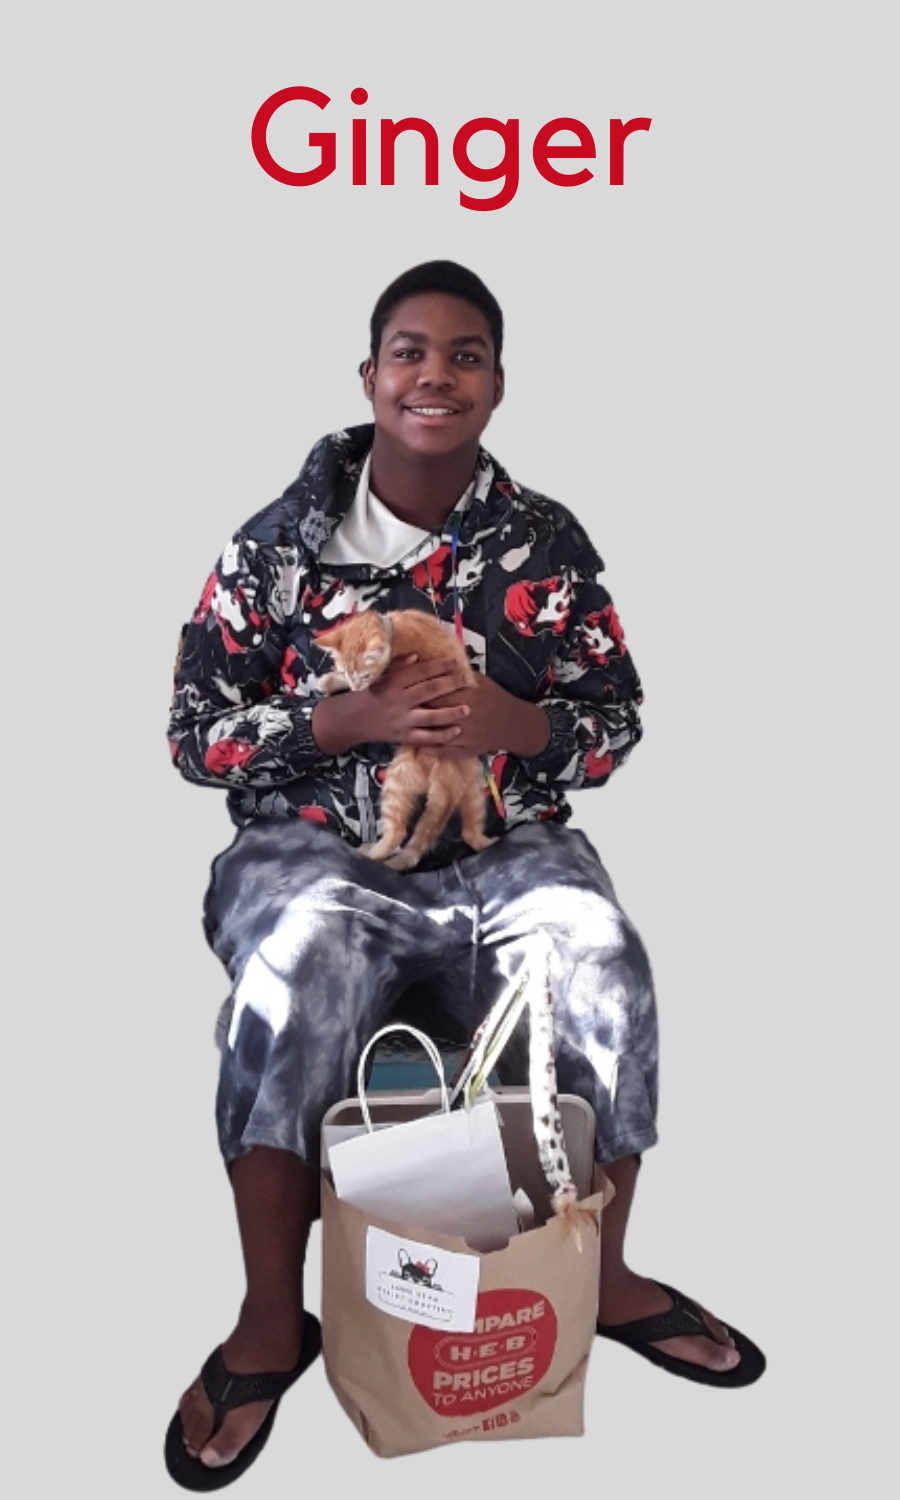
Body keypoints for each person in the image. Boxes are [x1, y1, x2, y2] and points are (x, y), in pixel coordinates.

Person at [164, 261, 765, 1489]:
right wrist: (343, 721)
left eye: (466, 354)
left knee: (598, 950)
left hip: (503, 842)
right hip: (318, 844)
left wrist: (516, 722)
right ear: (370, 377)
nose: (435, 374)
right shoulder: (272, 548)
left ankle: (603, 1274)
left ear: (495, 385)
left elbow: (614, 722)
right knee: (296, 967)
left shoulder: (544, 542)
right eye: (410, 351)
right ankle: (271, 1319)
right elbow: (192, 736)